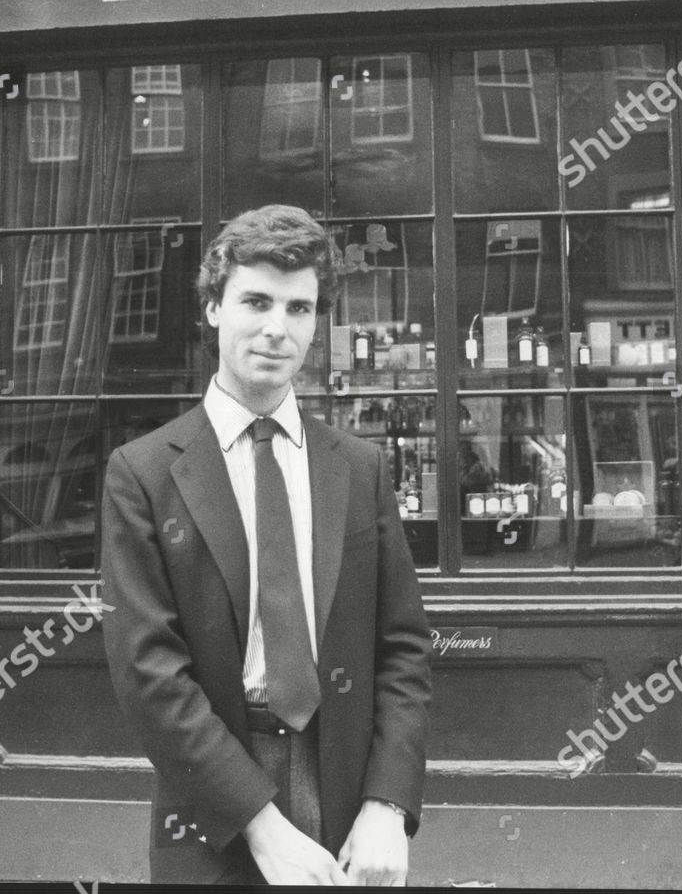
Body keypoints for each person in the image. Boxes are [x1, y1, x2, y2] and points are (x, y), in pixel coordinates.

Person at [101, 204, 432, 885]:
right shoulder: (144, 473)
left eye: (299, 308)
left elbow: (402, 646)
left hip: (347, 785)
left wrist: (387, 801)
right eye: (256, 301)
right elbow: (149, 673)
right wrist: (261, 824)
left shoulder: (360, 467)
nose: (277, 328)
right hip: (215, 797)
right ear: (214, 307)